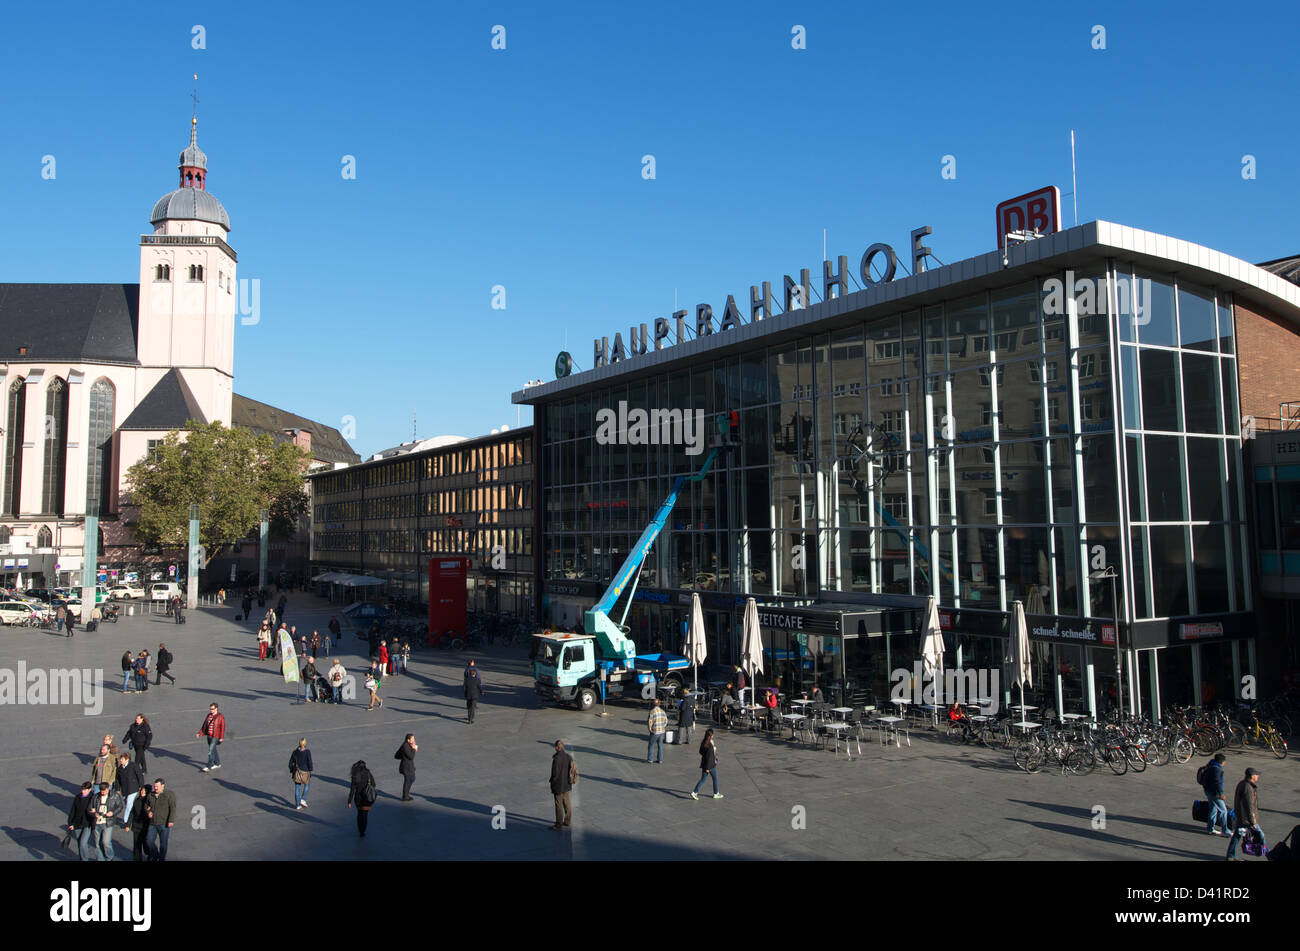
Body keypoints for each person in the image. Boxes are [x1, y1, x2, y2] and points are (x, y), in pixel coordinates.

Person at [1226, 767, 1265, 860]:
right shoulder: (1248, 788)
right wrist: (1253, 822)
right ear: (1252, 776)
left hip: (1241, 817)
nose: (1258, 776)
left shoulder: (1243, 784)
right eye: (1256, 775)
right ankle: (1268, 854)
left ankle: (1231, 855)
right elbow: (1249, 806)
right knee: (1261, 835)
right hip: (1246, 819)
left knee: (1237, 835)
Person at [88, 782, 124, 860]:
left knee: (106, 842)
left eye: (104, 791)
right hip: (97, 822)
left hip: (108, 822)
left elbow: (120, 806)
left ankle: (109, 857)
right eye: (101, 791)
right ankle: (100, 859)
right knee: (97, 844)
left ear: (108, 789)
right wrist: (94, 813)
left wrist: (112, 813)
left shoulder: (115, 796)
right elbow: (89, 808)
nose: (102, 792)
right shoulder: (96, 796)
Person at [690, 729, 723, 800]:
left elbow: (700, 752)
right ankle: (715, 793)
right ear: (711, 736)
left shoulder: (704, 742)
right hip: (710, 765)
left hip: (705, 764)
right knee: (714, 779)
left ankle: (695, 792)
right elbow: (709, 758)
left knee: (703, 779)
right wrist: (708, 768)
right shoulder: (710, 745)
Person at [67, 782, 95, 861]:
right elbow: (73, 810)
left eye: (85, 790)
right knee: (79, 843)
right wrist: (71, 823)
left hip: (87, 823)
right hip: (77, 823)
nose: (83, 791)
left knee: (83, 843)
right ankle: (82, 858)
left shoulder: (93, 798)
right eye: (82, 789)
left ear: (89, 789)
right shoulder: (78, 797)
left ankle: (84, 859)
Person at [347, 760, 377, 836]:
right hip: (367, 798)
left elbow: (352, 790)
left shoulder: (355, 775)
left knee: (359, 814)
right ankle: (362, 831)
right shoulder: (368, 773)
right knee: (365, 815)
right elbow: (374, 784)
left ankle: (360, 828)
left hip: (358, 798)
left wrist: (349, 801)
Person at [1201, 752, 1228, 835]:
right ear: (1222, 762)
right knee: (1223, 811)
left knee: (1213, 809)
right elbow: (1216, 783)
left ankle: (1210, 828)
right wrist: (1221, 793)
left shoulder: (1211, 765)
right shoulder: (1217, 769)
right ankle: (1225, 830)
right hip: (1214, 793)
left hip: (1208, 790)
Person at [115, 753, 146, 826]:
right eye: (120, 759)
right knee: (127, 804)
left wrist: (141, 786)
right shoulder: (120, 769)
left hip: (133, 789)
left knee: (129, 804)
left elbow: (140, 776)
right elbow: (117, 779)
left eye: (122, 759)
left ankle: (126, 821)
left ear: (127, 759)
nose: (120, 760)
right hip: (125, 790)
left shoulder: (133, 766)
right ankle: (131, 819)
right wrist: (117, 789)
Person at [550, 739, 573, 830]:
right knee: (567, 803)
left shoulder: (556, 759)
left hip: (558, 786)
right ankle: (567, 821)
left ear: (556, 747)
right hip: (567, 784)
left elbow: (555, 774)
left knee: (558, 805)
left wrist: (552, 783)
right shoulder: (568, 757)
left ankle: (558, 824)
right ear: (562, 747)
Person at [196, 702, 226, 771]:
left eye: (212, 709)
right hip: (209, 736)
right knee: (213, 750)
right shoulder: (209, 715)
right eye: (210, 709)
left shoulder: (220, 717)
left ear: (216, 709)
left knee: (210, 751)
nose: (211, 710)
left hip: (215, 736)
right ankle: (217, 763)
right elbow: (204, 725)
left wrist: (221, 737)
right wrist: (199, 733)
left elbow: (222, 727)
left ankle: (208, 766)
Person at [127, 785, 152, 861]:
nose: (142, 792)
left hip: (146, 825)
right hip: (136, 826)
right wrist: (128, 824)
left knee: (146, 843)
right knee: (137, 844)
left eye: (144, 791)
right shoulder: (137, 800)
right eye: (141, 790)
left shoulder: (150, 801)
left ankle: (150, 855)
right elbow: (132, 812)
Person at [289, 738, 313, 809]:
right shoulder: (307, 752)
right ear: (305, 744)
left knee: (297, 788)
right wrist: (310, 769)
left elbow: (290, 763)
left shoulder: (295, 752)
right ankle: (303, 799)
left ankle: (297, 805)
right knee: (307, 785)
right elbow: (309, 762)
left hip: (297, 772)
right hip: (305, 772)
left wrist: (292, 770)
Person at [395, 734, 417, 800]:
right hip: (406, 767)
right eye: (412, 739)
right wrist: (414, 749)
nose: (414, 740)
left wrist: (404, 757)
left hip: (409, 766)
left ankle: (406, 794)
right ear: (408, 740)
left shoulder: (407, 745)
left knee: (412, 778)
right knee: (407, 780)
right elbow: (411, 757)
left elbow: (397, 755)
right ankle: (405, 796)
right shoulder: (405, 746)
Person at [647, 698, 668, 763]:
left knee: (651, 745)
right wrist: (663, 727)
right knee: (660, 745)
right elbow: (666, 721)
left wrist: (650, 729)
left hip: (655, 731)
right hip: (661, 731)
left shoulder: (652, 712)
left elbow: (650, 722)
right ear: (659, 704)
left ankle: (650, 759)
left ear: (653, 704)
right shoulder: (662, 711)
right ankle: (660, 760)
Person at [463, 658, 484, 723]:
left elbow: (464, 686)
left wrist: (465, 693)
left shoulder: (466, 669)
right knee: (473, 707)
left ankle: (469, 718)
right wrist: (481, 691)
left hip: (468, 693)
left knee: (469, 707)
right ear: (471, 663)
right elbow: (479, 684)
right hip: (474, 694)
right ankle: (471, 718)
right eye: (473, 662)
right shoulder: (475, 670)